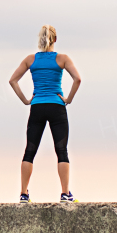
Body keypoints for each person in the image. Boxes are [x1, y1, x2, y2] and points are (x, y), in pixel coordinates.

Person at [8, 24, 81, 203]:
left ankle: (24, 194)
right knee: (61, 151)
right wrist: (68, 99)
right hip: (57, 106)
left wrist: (26, 100)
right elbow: (77, 79)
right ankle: (65, 194)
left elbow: (13, 80)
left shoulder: (30, 59)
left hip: (37, 107)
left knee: (29, 151)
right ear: (55, 39)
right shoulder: (62, 58)